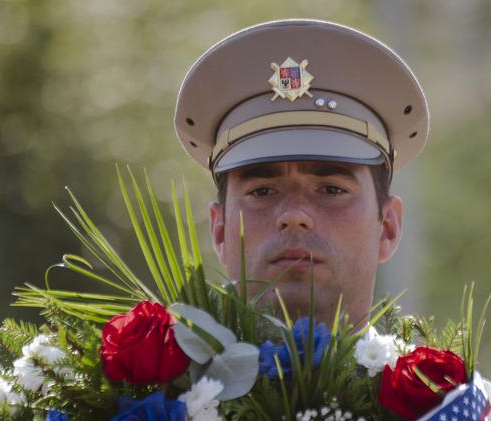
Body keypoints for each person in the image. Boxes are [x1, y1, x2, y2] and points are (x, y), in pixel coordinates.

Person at [174, 19, 429, 327]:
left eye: (331, 190)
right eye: (262, 191)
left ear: (387, 227)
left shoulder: (450, 379)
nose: (294, 215)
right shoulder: (160, 379)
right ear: (219, 231)